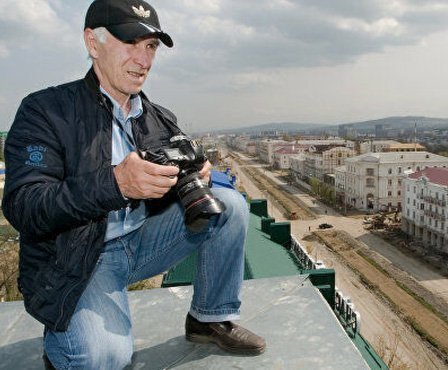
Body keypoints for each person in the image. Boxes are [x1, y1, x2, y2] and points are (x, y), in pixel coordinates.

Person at [1, 0, 265, 368]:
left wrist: (198, 175)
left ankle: (209, 318)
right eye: (131, 43)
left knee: (229, 204)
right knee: (102, 357)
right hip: (80, 258)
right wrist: (116, 183)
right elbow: (24, 205)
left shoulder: (158, 118)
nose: (144, 60)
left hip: (142, 241)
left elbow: (177, 180)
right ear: (93, 43)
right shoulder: (46, 111)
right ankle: (69, 339)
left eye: (151, 47)